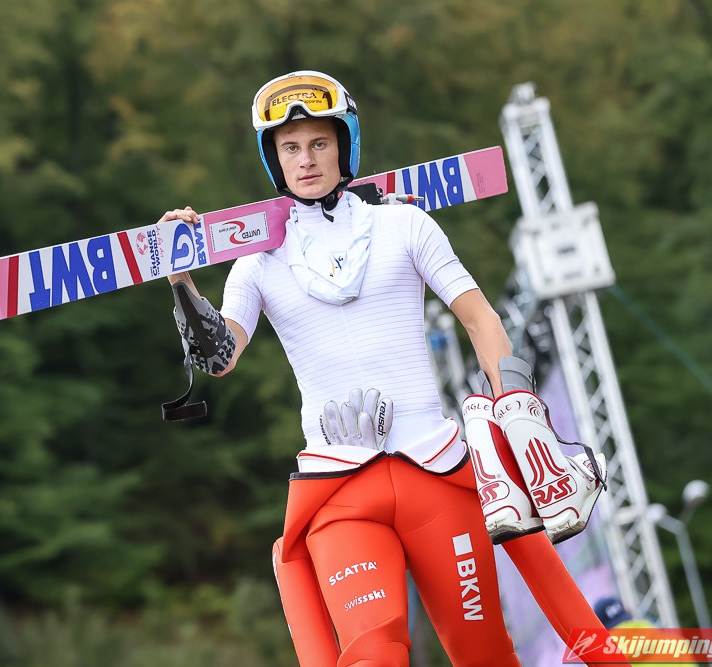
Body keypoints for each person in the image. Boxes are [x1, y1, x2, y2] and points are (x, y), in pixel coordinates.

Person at [164, 71, 612, 667]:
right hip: (339, 488)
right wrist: (181, 278)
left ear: (344, 146)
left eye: (319, 143)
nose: (306, 160)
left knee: (484, 655)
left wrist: (519, 414)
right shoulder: (257, 262)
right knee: (373, 655)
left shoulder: (405, 224)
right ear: (274, 159)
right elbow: (220, 357)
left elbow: (480, 320)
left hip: (437, 471)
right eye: (290, 147)